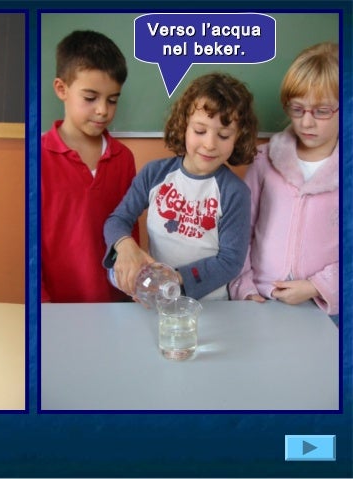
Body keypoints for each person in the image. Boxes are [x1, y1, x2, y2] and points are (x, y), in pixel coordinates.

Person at [104, 72, 258, 301]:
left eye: (224, 135)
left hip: (211, 306)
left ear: (238, 138)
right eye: (200, 131)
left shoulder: (235, 193)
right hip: (158, 301)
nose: (210, 144)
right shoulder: (155, 174)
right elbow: (117, 220)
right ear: (184, 126)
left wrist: (175, 279)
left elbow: (230, 262)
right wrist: (124, 245)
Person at [229, 42, 339, 320]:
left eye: (322, 111)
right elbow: (240, 229)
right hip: (261, 301)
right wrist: (244, 287)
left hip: (326, 310)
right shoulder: (264, 160)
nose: (307, 123)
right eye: (297, 109)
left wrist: (318, 286)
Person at [41, 30, 138, 303]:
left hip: (115, 306)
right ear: (62, 89)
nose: (103, 110)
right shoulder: (38, 158)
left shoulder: (123, 159)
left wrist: (131, 291)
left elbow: (129, 234)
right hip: (57, 308)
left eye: (112, 100)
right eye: (90, 97)